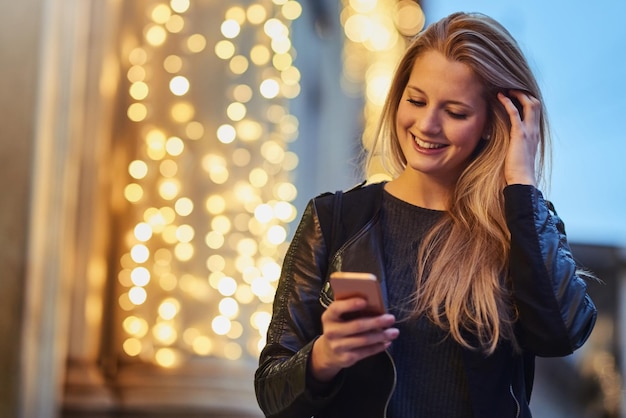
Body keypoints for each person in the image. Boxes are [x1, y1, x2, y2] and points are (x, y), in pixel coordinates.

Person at [254, 11, 597, 418]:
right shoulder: (334, 220)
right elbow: (272, 392)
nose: (427, 125)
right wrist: (325, 356)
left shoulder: (519, 224)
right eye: (416, 101)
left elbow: (561, 334)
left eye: (455, 112)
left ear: (493, 124)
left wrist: (521, 183)